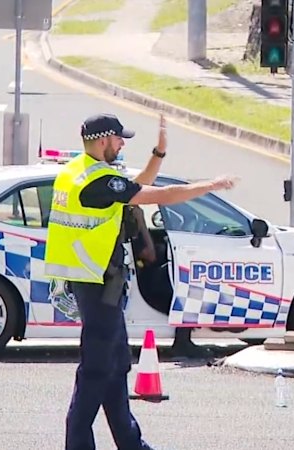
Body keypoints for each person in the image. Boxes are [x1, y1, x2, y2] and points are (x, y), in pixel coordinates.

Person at [44, 112, 237, 450]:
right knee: (95, 370)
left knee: (116, 364)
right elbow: (160, 195)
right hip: (97, 283)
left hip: (98, 282)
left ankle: (131, 443)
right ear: (103, 140)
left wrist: (158, 153)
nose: (121, 144)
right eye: (119, 138)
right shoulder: (97, 181)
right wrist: (211, 185)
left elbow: (136, 186)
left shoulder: (80, 170)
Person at [124, 205, 213, 358]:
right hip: (149, 288)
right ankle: (182, 344)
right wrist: (142, 224)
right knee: (189, 292)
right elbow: (150, 255)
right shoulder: (131, 232)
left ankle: (184, 342)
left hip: (150, 283)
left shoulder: (131, 229)